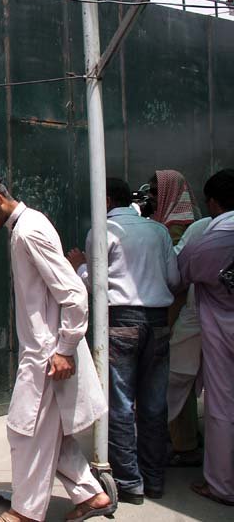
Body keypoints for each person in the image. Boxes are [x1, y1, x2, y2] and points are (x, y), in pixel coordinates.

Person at [0, 174, 112, 522]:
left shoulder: (28, 231)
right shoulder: (24, 226)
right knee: (49, 434)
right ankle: (91, 495)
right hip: (44, 349)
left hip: (46, 354)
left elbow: (73, 293)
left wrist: (65, 348)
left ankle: (25, 513)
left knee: (23, 431)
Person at [67, 178, 179, 504]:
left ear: (105, 199)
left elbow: (95, 285)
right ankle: (155, 479)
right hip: (158, 321)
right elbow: (174, 279)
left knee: (120, 403)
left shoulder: (102, 232)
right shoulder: (158, 232)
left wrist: (80, 267)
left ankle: (130, 482)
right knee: (155, 405)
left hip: (120, 323)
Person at [178, 169, 234, 506]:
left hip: (222, 336)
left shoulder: (208, 239)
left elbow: (178, 275)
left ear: (213, 202)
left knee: (222, 407)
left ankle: (222, 486)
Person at [147, 169, 204, 468]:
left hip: (177, 311)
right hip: (180, 311)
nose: (152, 198)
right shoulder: (176, 224)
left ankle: (183, 443)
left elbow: (174, 276)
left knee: (174, 378)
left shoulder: (176, 228)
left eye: (156, 192)